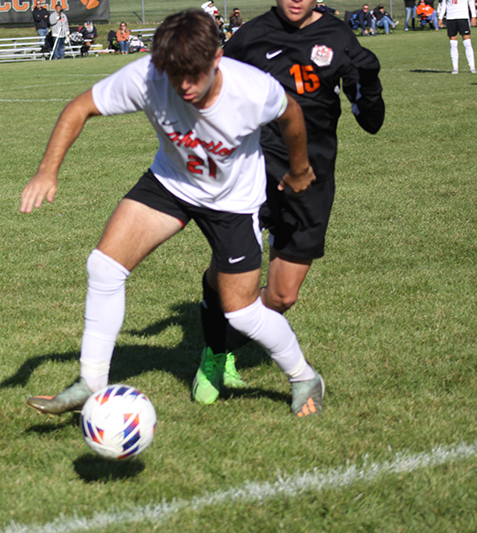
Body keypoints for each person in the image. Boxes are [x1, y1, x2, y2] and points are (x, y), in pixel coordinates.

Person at [21, 9, 324, 419]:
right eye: (173, 74)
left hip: (233, 202)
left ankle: (304, 376)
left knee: (240, 311)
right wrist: (47, 170)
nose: (182, 86)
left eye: (193, 75)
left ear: (216, 59)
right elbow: (80, 108)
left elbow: (290, 115)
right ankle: (90, 383)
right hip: (171, 184)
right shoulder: (148, 77)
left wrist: (300, 167)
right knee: (104, 268)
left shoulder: (252, 90)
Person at [195, 0, 384, 408]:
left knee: (281, 297)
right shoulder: (251, 38)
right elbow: (211, 90)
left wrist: (369, 81)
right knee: (227, 273)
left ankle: (225, 340)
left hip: (311, 178)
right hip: (252, 170)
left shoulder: (337, 37)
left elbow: (371, 121)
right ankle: (214, 353)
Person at [438, 0, 477, 73]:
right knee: (453, 44)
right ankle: (455, 68)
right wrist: (440, 17)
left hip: (463, 17)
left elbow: (471, 2)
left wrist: (474, 16)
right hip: (450, 18)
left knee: (467, 43)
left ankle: (472, 67)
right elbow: (444, 4)